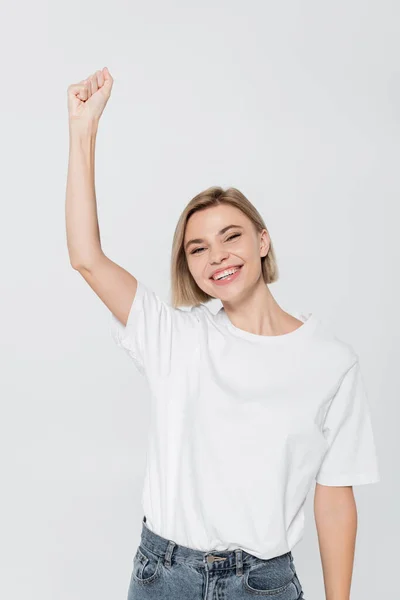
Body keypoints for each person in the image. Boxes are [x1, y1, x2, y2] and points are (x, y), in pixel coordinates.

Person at [66, 68, 380, 600]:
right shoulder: (173, 338)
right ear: (189, 267)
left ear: (262, 240)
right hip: (164, 576)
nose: (217, 257)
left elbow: (334, 497)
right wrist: (83, 130)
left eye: (230, 236)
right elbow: (87, 258)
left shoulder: (331, 362)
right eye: (198, 248)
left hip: (263, 584)